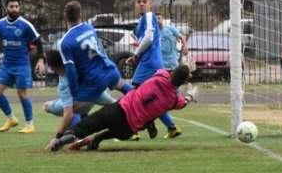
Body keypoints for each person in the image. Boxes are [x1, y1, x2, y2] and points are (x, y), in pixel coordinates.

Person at [49, 65, 196, 152]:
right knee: (132, 127)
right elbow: (184, 102)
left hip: (118, 110)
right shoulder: (173, 100)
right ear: (182, 82)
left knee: (84, 126)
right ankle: (97, 138)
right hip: (128, 128)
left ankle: (63, 139)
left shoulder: (160, 75)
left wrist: (183, 66)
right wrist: (191, 94)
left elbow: (169, 71)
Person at [0, 0, 45, 133]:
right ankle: (11, 119)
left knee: (22, 94)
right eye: (11, 6)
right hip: (6, 65)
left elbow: (38, 41)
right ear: (6, 8)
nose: (14, 9)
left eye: (17, 6)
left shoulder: (25, 24)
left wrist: (41, 59)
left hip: (22, 65)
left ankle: (30, 125)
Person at [58, 1, 133, 117]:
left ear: (65, 17)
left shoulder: (65, 41)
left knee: (74, 107)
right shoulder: (89, 28)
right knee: (124, 86)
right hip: (109, 69)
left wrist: (74, 92)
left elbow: (70, 70)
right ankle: (141, 104)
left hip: (94, 79)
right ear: (81, 15)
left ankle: (121, 113)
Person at [126, 0, 180, 139]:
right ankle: (171, 127)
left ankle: (134, 131)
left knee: (132, 95)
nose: (141, 4)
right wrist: (136, 55)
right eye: (138, 2)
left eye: (144, 1)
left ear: (150, 4)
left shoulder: (149, 16)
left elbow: (149, 37)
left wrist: (136, 54)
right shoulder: (140, 23)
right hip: (150, 62)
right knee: (151, 98)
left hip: (149, 64)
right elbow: (147, 41)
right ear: (135, 5)